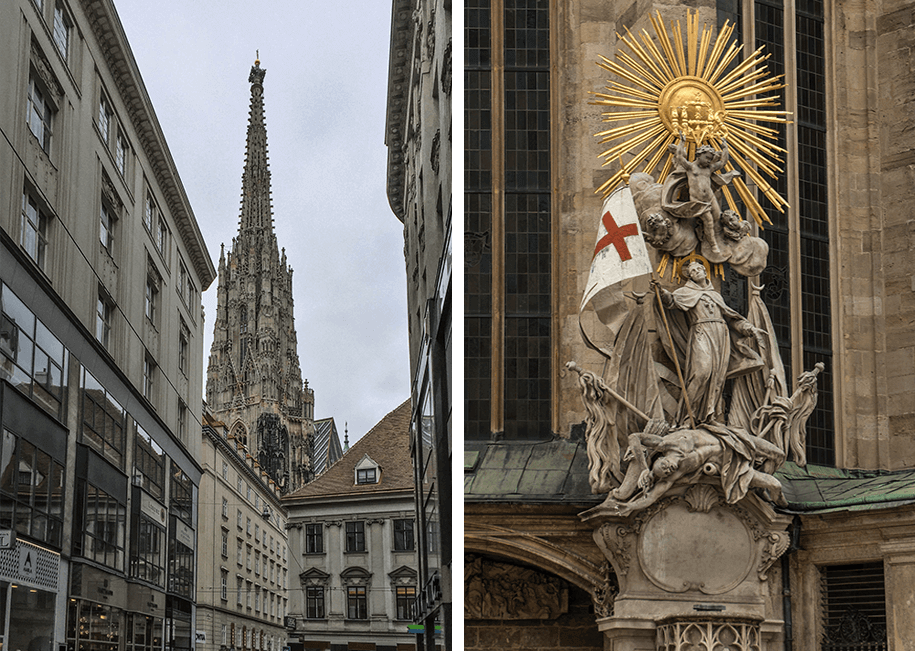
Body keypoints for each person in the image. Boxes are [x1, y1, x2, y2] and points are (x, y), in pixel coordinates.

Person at [652, 259, 766, 425]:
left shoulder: (716, 295)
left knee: (717, 378)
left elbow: (731, 318)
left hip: (721, 336)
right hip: (701, 333)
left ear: (705, 271)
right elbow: (671, 301)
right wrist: (660, 292)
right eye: (692, 271)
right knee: (701, 373)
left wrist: (750, 329)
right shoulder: (685, 292)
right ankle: (686, 418)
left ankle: (709, 416)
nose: (697, 271)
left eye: (699, 268)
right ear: (689, 277)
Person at [608, 421, 787, 517]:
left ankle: (761, 492)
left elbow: (635, 437)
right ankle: (781, 507)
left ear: (661, 457)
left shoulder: (668, 442)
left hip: (734, 439)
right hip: (734, 465)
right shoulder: (678, 473)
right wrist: (630, 506)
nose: (669, 469)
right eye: (667, 472)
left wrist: (644, 467)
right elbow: (652, 496)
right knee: (776, 485)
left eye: (663, 466)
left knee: (779, 455)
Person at [665, 133, 739, 257]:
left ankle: (706, 234)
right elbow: (679, 157)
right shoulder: (691, 167)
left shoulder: (708, 169)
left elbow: (723, 162)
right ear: (699, 155)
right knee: (709, 221)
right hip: (698, 202)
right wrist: (682, 142)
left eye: (710, 158)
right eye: (707, 157)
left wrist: (725, 148)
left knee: (716, 218)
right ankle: (713, 245)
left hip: (710, 198)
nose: (709, 161)